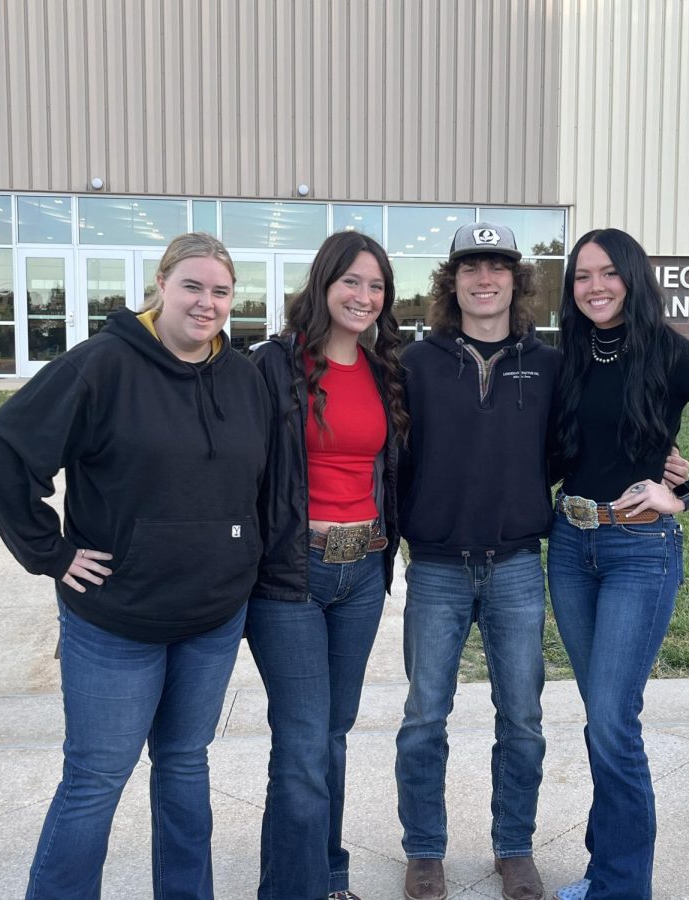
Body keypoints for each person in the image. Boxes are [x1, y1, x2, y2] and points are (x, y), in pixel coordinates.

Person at [0, 232, 271, 900]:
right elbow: (4, 447)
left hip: (213, 617)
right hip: (116, 618)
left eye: (220, 291)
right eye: (192, 286)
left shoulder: (242, 376)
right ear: (162, 285)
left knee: (184, 765)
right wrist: (49, 553)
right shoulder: (102, 364)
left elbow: (260, 479)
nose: (206, 302)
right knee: (96, 778)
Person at [546, 229, 689, 900]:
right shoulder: (570, 357)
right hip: (570, 546)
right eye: (582, 276)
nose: (595, 287)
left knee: (613, 721)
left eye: (608, 273)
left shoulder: (673, 354)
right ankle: (606, 868)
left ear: (634, 278)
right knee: (600, 718)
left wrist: (682, 493)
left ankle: (621, 887)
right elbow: (559, 458)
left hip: (640, 552)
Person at [393, 222, 559, 900]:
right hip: (435, 566)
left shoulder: (547, 363)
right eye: (471, 266)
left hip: (518, 562)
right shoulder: (415, 362)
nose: (484, 278)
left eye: (497, 266)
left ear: (515, 281)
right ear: (451, 280)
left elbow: (580, 445)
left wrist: (662, 462)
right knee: (424, 717)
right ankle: (425, 852)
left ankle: (513, 848)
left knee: (521, 716)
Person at [247, 230, 408, 900]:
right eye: (352, 282)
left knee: (331, 737)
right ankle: (291, 889)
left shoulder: (386, 372)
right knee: (303, 742)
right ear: (323, 284)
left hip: (363, 573)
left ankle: (328, 877)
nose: (364, 297)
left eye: (376, 286)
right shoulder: (273, 366)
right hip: (292, 575)